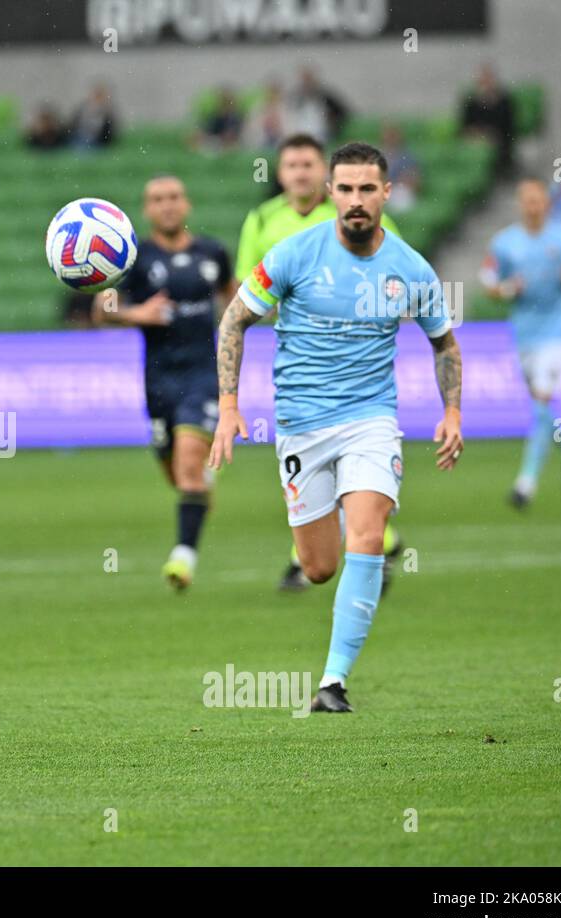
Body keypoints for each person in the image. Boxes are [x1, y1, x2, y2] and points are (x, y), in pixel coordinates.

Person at [210, 142, 463, 713]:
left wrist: (452, 412)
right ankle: (332, 658)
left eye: (367, 189)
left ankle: (334, 682)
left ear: (386, 193)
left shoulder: (409, 267)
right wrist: (229, 406)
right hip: (301, 425)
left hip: (371, 420)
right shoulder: (293, 253)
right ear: (330, 193)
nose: (355, 200)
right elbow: (234, 321)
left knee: (368, 537)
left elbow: (443, 341)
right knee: (320, 567)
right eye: (345, 189)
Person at [235, 133, 404, 592]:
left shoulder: (350, 214)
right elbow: (243, 289)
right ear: (281, 173)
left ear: (324, 177)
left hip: (358, 371)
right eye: (292, 165)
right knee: (320, 477)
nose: (301, 173)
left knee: (356, 466)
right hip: (299, 366)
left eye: (309, 164)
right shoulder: (263, 220)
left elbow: (397, 266)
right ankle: (365, 544)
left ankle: (371, 544)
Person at [93, 177, 235, 589]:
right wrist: (140, 314)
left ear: (186, 204)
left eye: (174, 198)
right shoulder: (135, 260)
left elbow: (233, 297)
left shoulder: (212, 252)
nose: (167, 206)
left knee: (189, 469)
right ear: (147, 210)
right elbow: (102, 309)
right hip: (158, 382)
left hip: (205, 377)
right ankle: (199, 481)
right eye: (158, 200)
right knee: (180, 478)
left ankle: (183, 558)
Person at [481, 177, 561, 507]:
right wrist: (506, 289)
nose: (533, 206)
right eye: (527, 201)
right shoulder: (505, 243)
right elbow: (489, 282)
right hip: (524, 331)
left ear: (547, 202)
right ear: (520, 204)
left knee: (540, 402)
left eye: (538, 200)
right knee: (541, 404)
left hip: (558, 329)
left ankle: (525, 483)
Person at [460, 65, 515, 174]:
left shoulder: (504, 102)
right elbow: (464, 126)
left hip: (498, 143)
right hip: (476, 141)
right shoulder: (471, 103)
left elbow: (509, 127)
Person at [69, 83, 116, 149]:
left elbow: (107, 132)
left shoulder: (106, 112)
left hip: (97, 140)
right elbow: (74, 125)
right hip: (81, 137)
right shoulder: (83, 109)